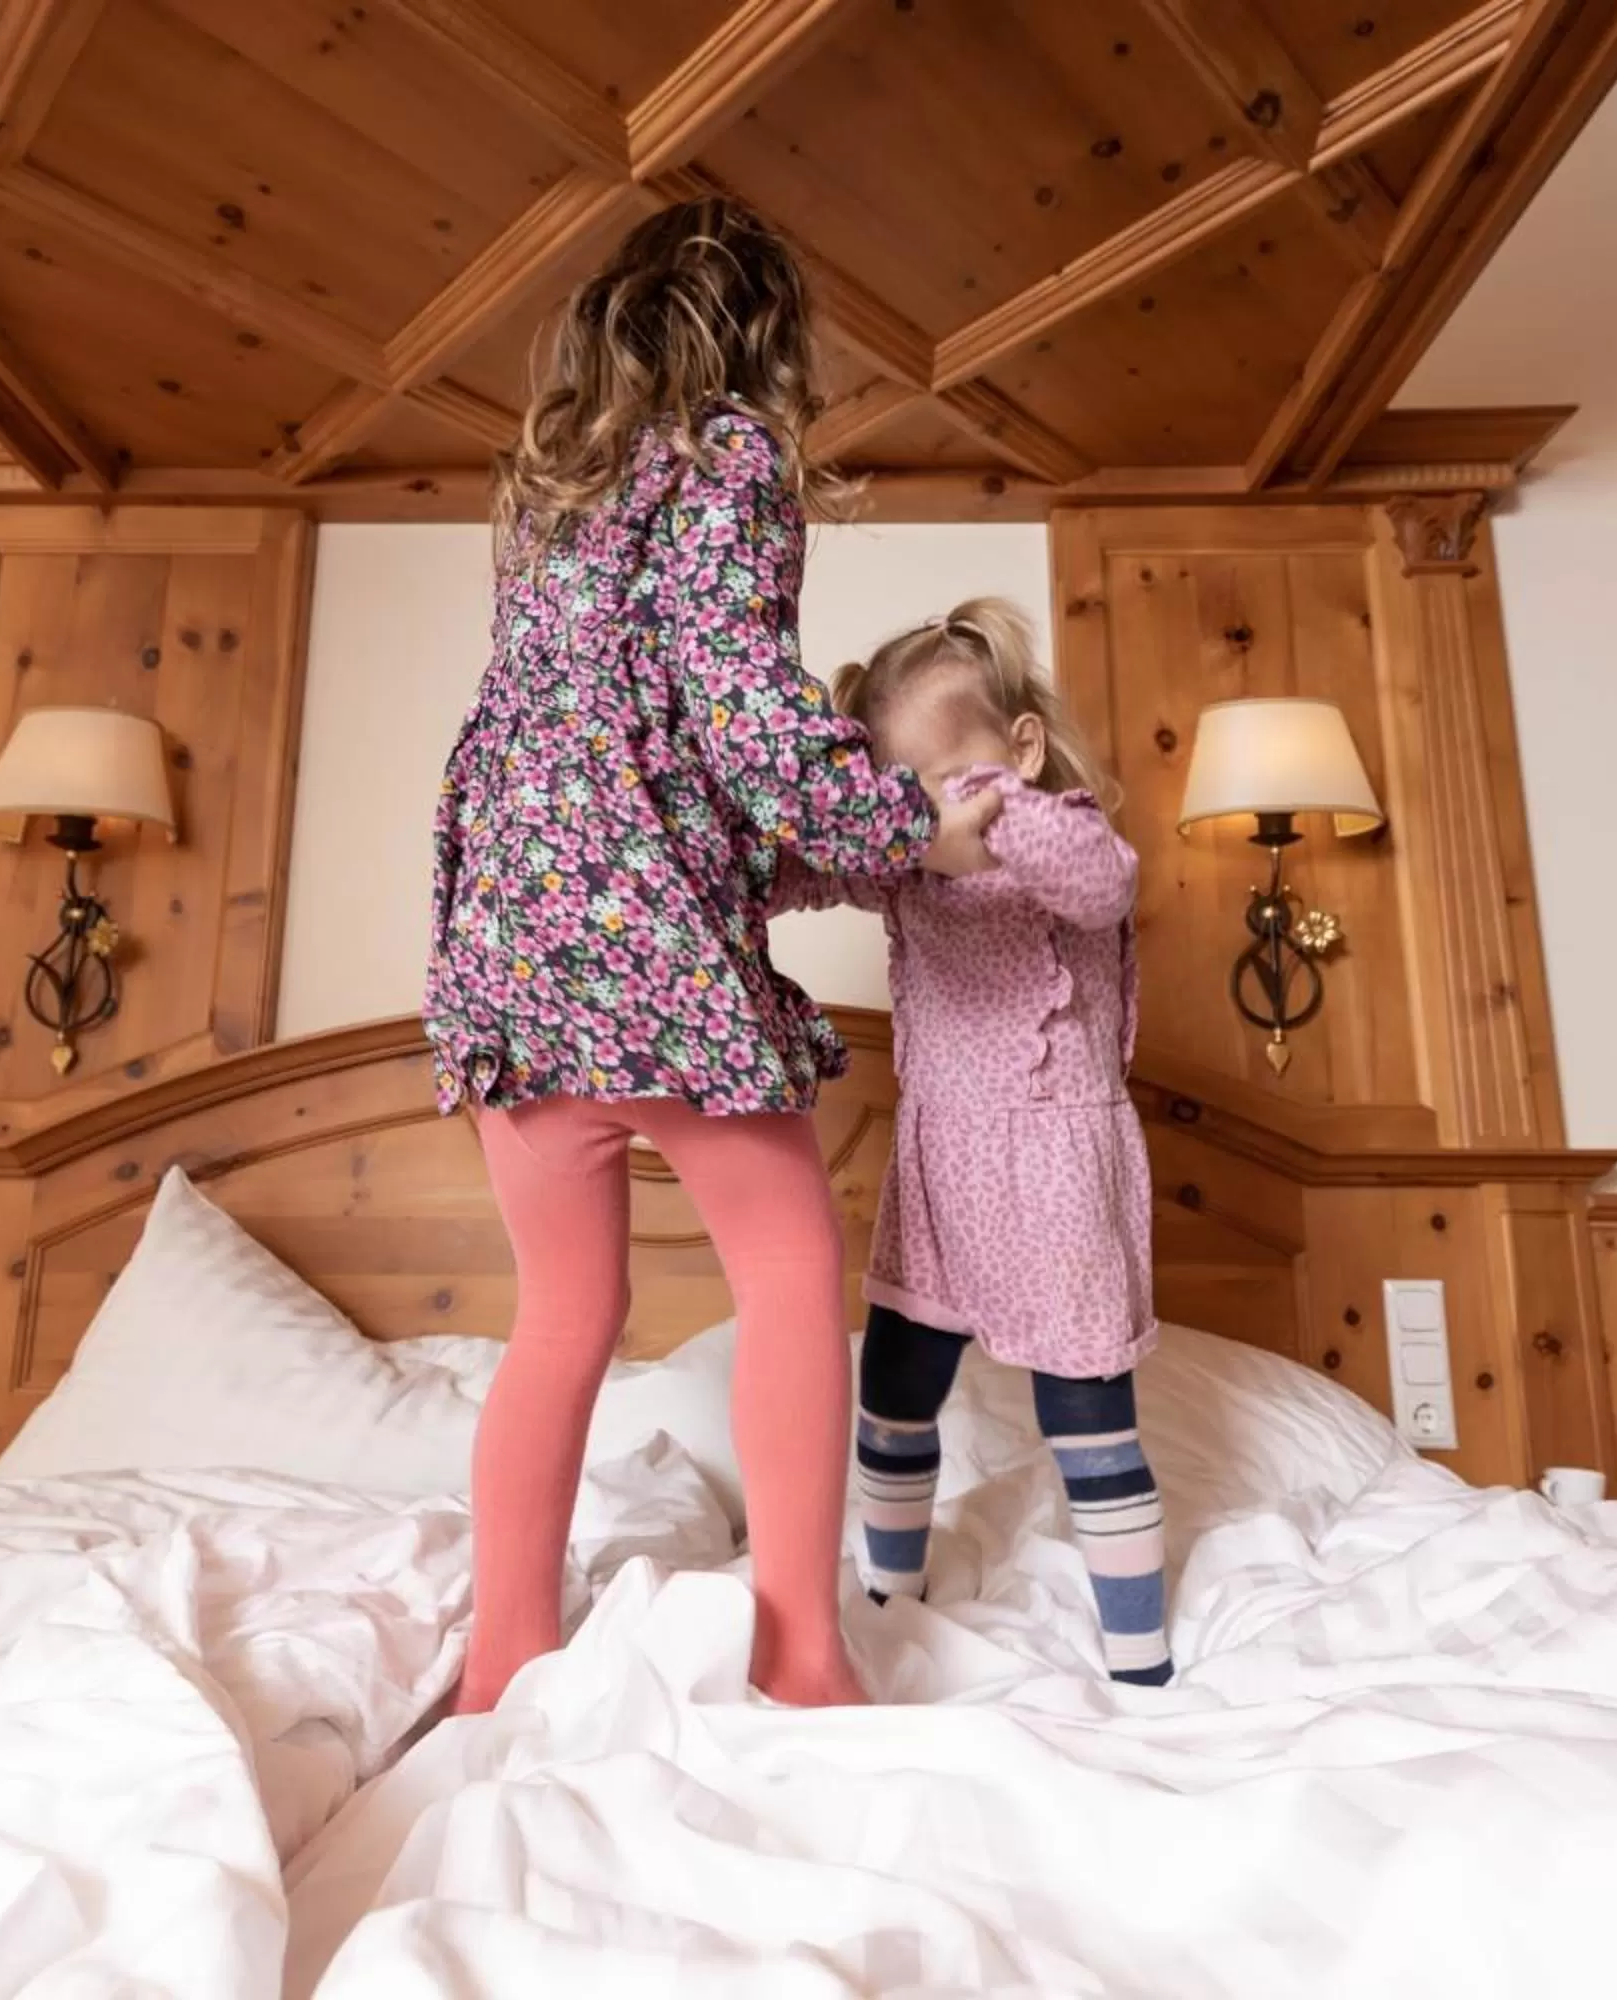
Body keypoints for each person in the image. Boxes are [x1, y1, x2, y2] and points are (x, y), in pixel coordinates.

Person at [425, 198, 1000, 1713]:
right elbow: (744, 714)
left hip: (509, 948)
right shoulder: (729, 460)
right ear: (765, 341)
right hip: (645, 954)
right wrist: (912, 828)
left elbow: (600, 726)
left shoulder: (549, 493)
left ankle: (502, 1660)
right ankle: (800, 1651)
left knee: (562, 1314)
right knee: (795, 1277)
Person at [782, 599, 1171, 1686]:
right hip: (939, 1169)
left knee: (1085, 1408)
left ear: (1024, 748)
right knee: (893, 1385)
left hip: (1059, 1171)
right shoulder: (907, 861)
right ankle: (888, 1598)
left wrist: (990, 813)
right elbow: (801, 872)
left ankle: (1140, 1656)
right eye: (902, 794)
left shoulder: (1069, 835)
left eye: (945, 781)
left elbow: (1104, 882)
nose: (927, 820)